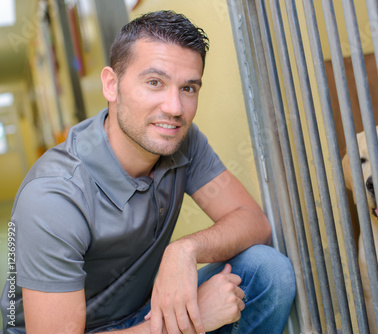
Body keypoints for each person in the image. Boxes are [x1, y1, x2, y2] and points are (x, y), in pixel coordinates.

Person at [0, 10, 296, 334]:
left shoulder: (180, 139)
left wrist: (184, 250)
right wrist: (185, 325)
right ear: (112, 85)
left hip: (140, 314)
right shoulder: (52, 197)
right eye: (155, 82)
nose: (174, 108)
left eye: (188, 88)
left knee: (268, 271)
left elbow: (254, 221)